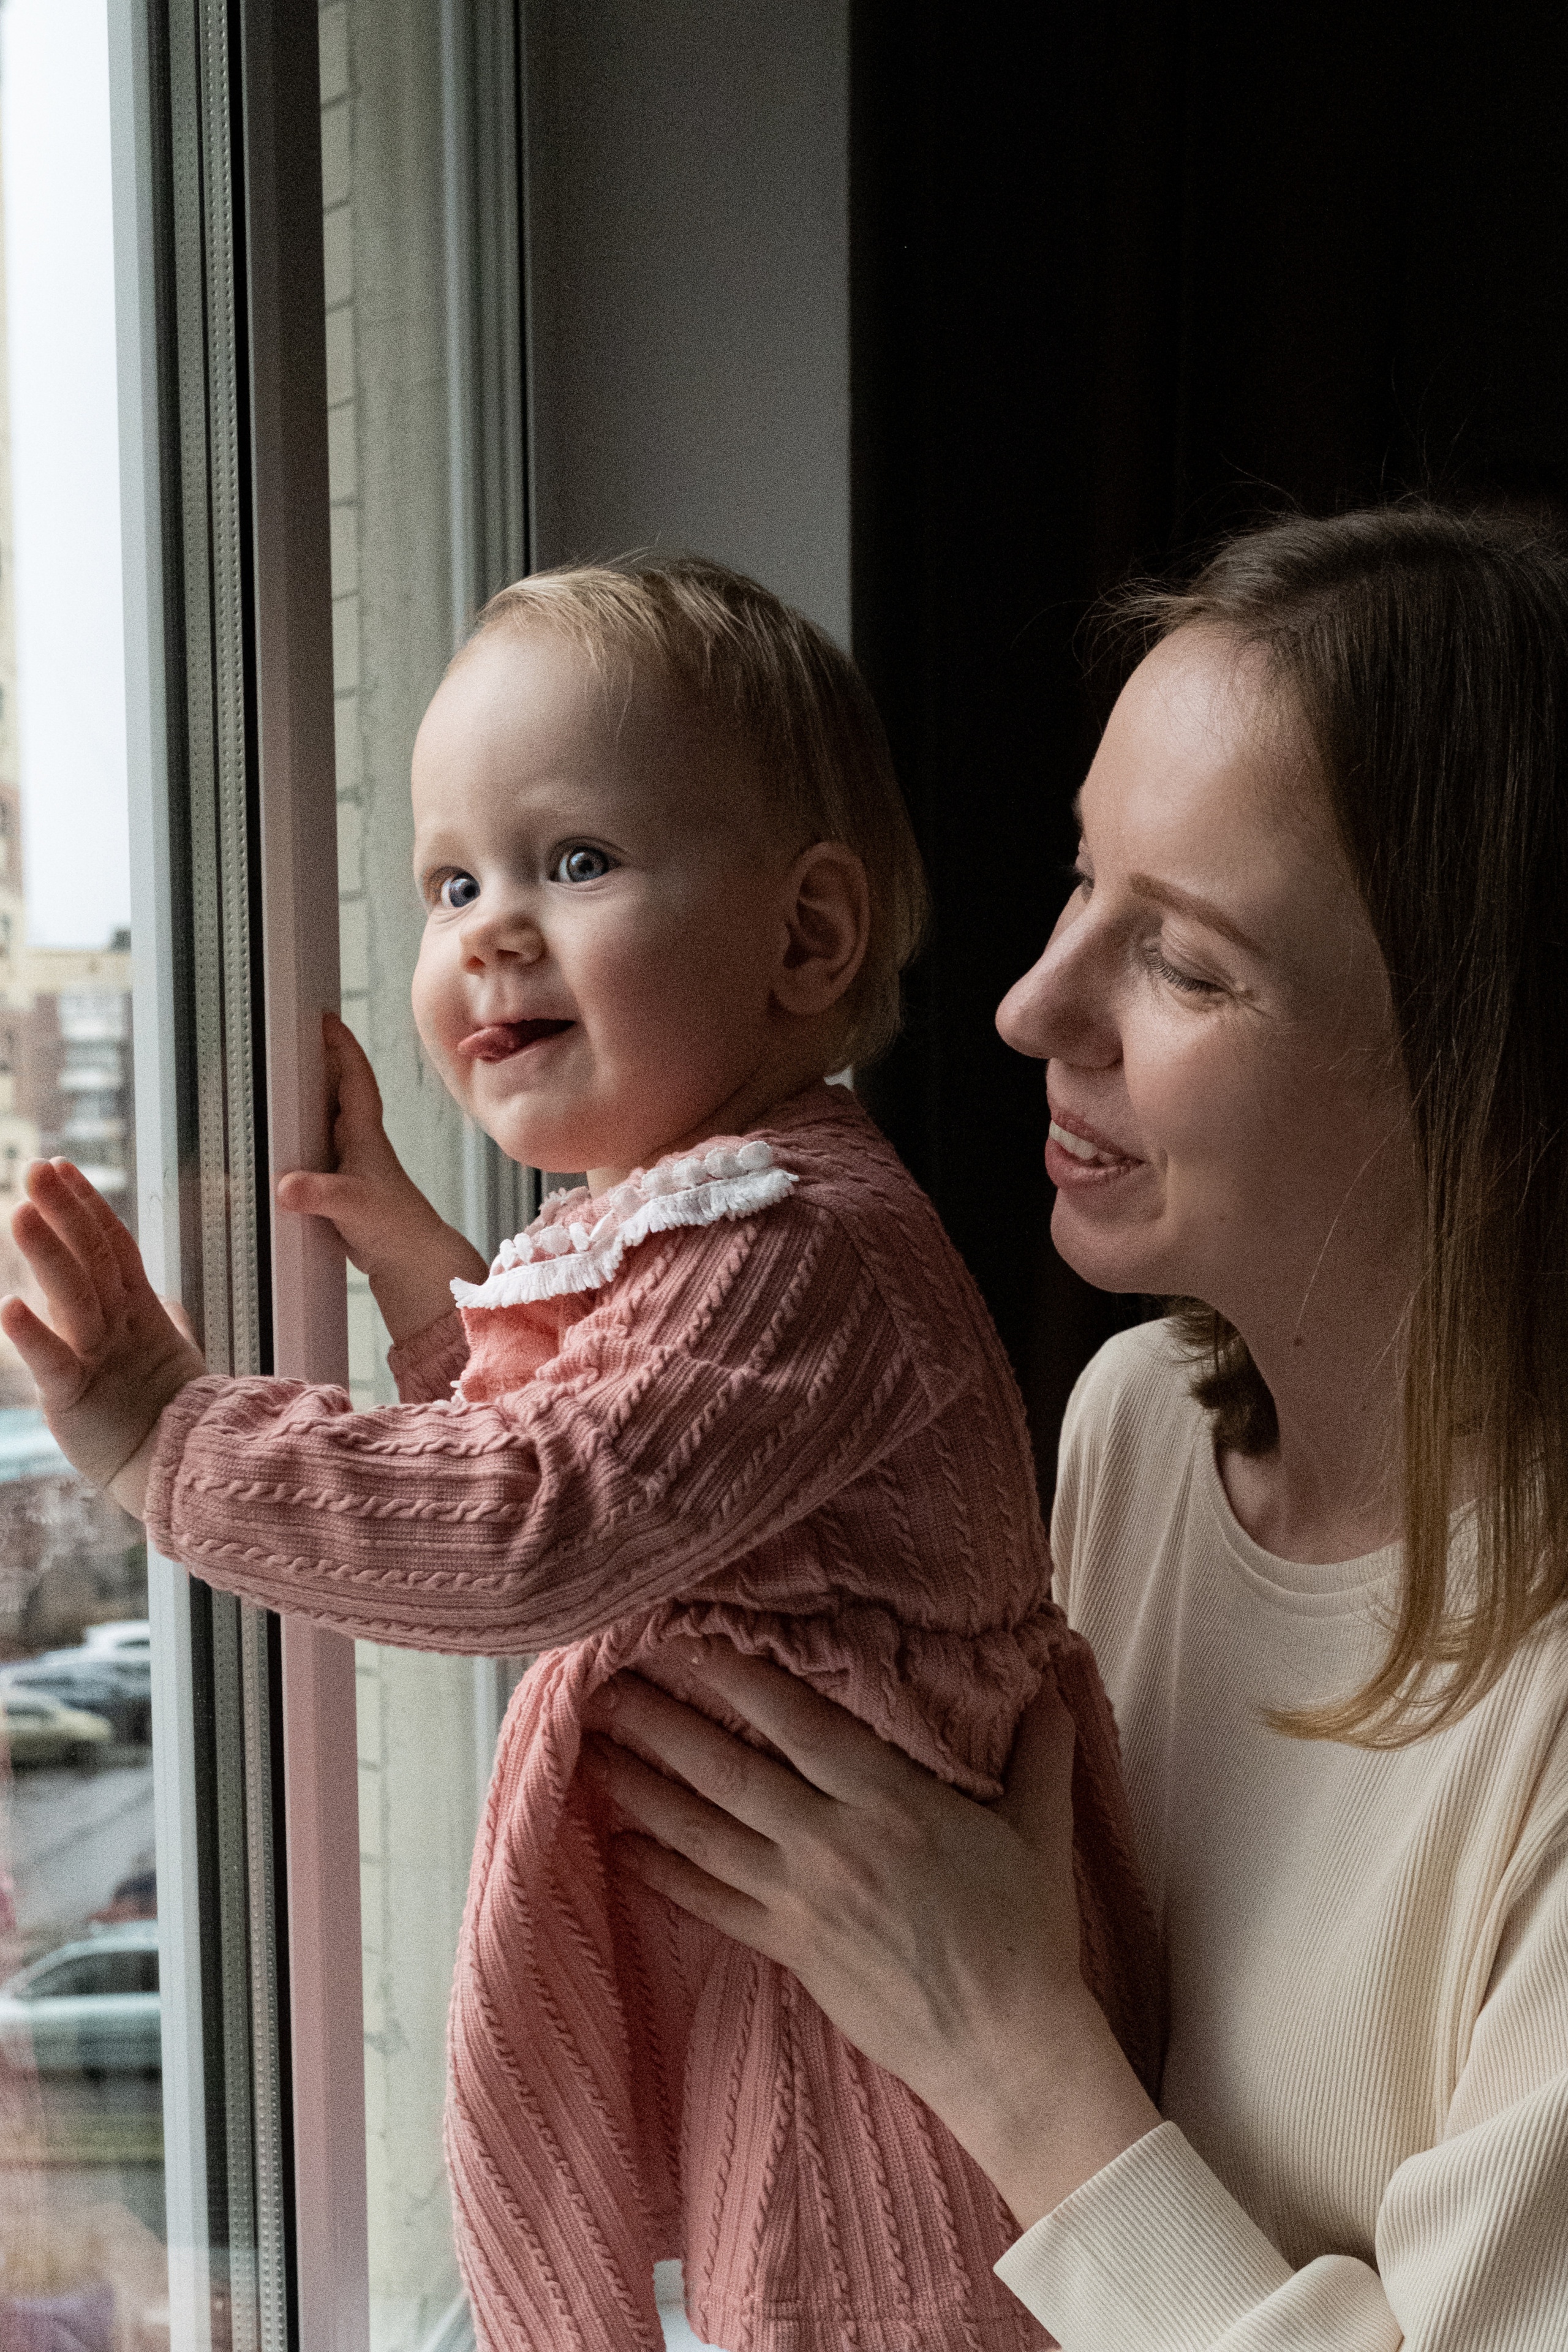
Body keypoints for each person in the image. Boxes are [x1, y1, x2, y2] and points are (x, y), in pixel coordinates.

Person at [0, 558, 1163, 2352]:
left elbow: (542, 1518)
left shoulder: (801, 1247)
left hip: (892, 2035)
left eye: (577, 863)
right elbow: (580, 1442)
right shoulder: (701, 1221)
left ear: (806, 939)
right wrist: (420, 1267)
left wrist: (174, 1436)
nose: (489, 929)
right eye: (451, 881)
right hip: (816, 1957)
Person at [575, 503, 1568, 2351]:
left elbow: (1011, 2033)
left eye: (1188, 965)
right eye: (1078, 879)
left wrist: (1009, 2051)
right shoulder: (1136, 1437)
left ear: (1486, 1069)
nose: (1033, 1006)